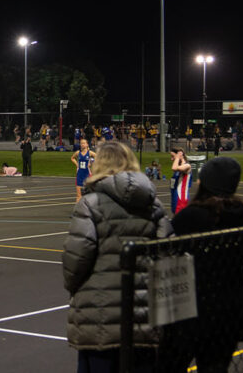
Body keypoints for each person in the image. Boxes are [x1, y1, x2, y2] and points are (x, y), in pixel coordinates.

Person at [63, 141, 167, 372]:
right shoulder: (153, 205)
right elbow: (168, 253)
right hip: (144, 313)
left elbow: (76, 259)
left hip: (99, 314)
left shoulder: (90, 204)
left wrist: (76, 289)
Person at [159, 157, 243, 372]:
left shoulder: (193, 216)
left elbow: (167, 249)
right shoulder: (241, 216)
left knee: (168, 364)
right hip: (229, 307)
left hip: (192, 306)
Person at [168, 147, 192, 214]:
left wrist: (178, 157)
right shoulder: (179, 168)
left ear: (180, 155)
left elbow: (174, 168)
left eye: (173, 156)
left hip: (181, 198)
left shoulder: (187, 166)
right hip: (175, 196)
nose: (171, 159)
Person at [71, 138, 94, 202]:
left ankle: (89, 210)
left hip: (87, 175)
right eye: (81, 143)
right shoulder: (78, 152)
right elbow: (72, 158)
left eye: (84, 143)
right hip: (79, 175)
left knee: (89, 195)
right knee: (79, 195)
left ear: (87, 145)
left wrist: (91, 162)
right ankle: (77, 210)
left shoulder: (90, 153)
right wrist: (77, 164)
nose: (82, 144)